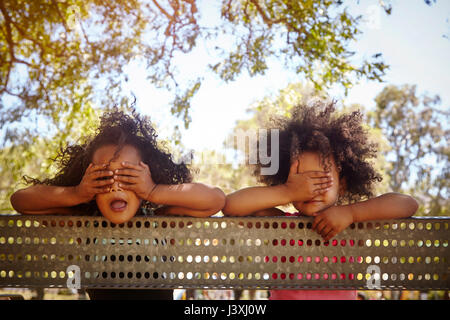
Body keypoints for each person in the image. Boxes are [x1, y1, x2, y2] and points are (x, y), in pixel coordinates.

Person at [10, 108, 226, 299]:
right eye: (103, 178)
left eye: (128, 177)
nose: (115, 187)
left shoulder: (160, 224)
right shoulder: (84, 228)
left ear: (148, 178)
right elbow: (21, 200)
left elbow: (214, 200)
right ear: (90, 187)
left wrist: (153, 191)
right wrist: (76, 193)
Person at [222, 101, 418, 300]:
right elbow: (230, 206)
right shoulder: (279, 224)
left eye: (321, 178)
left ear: (341, 185)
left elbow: (408, 204)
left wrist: (351, 213)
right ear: (285, 179)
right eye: (302, 179)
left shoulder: (353, 225)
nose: (310, 188)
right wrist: (289, 191)